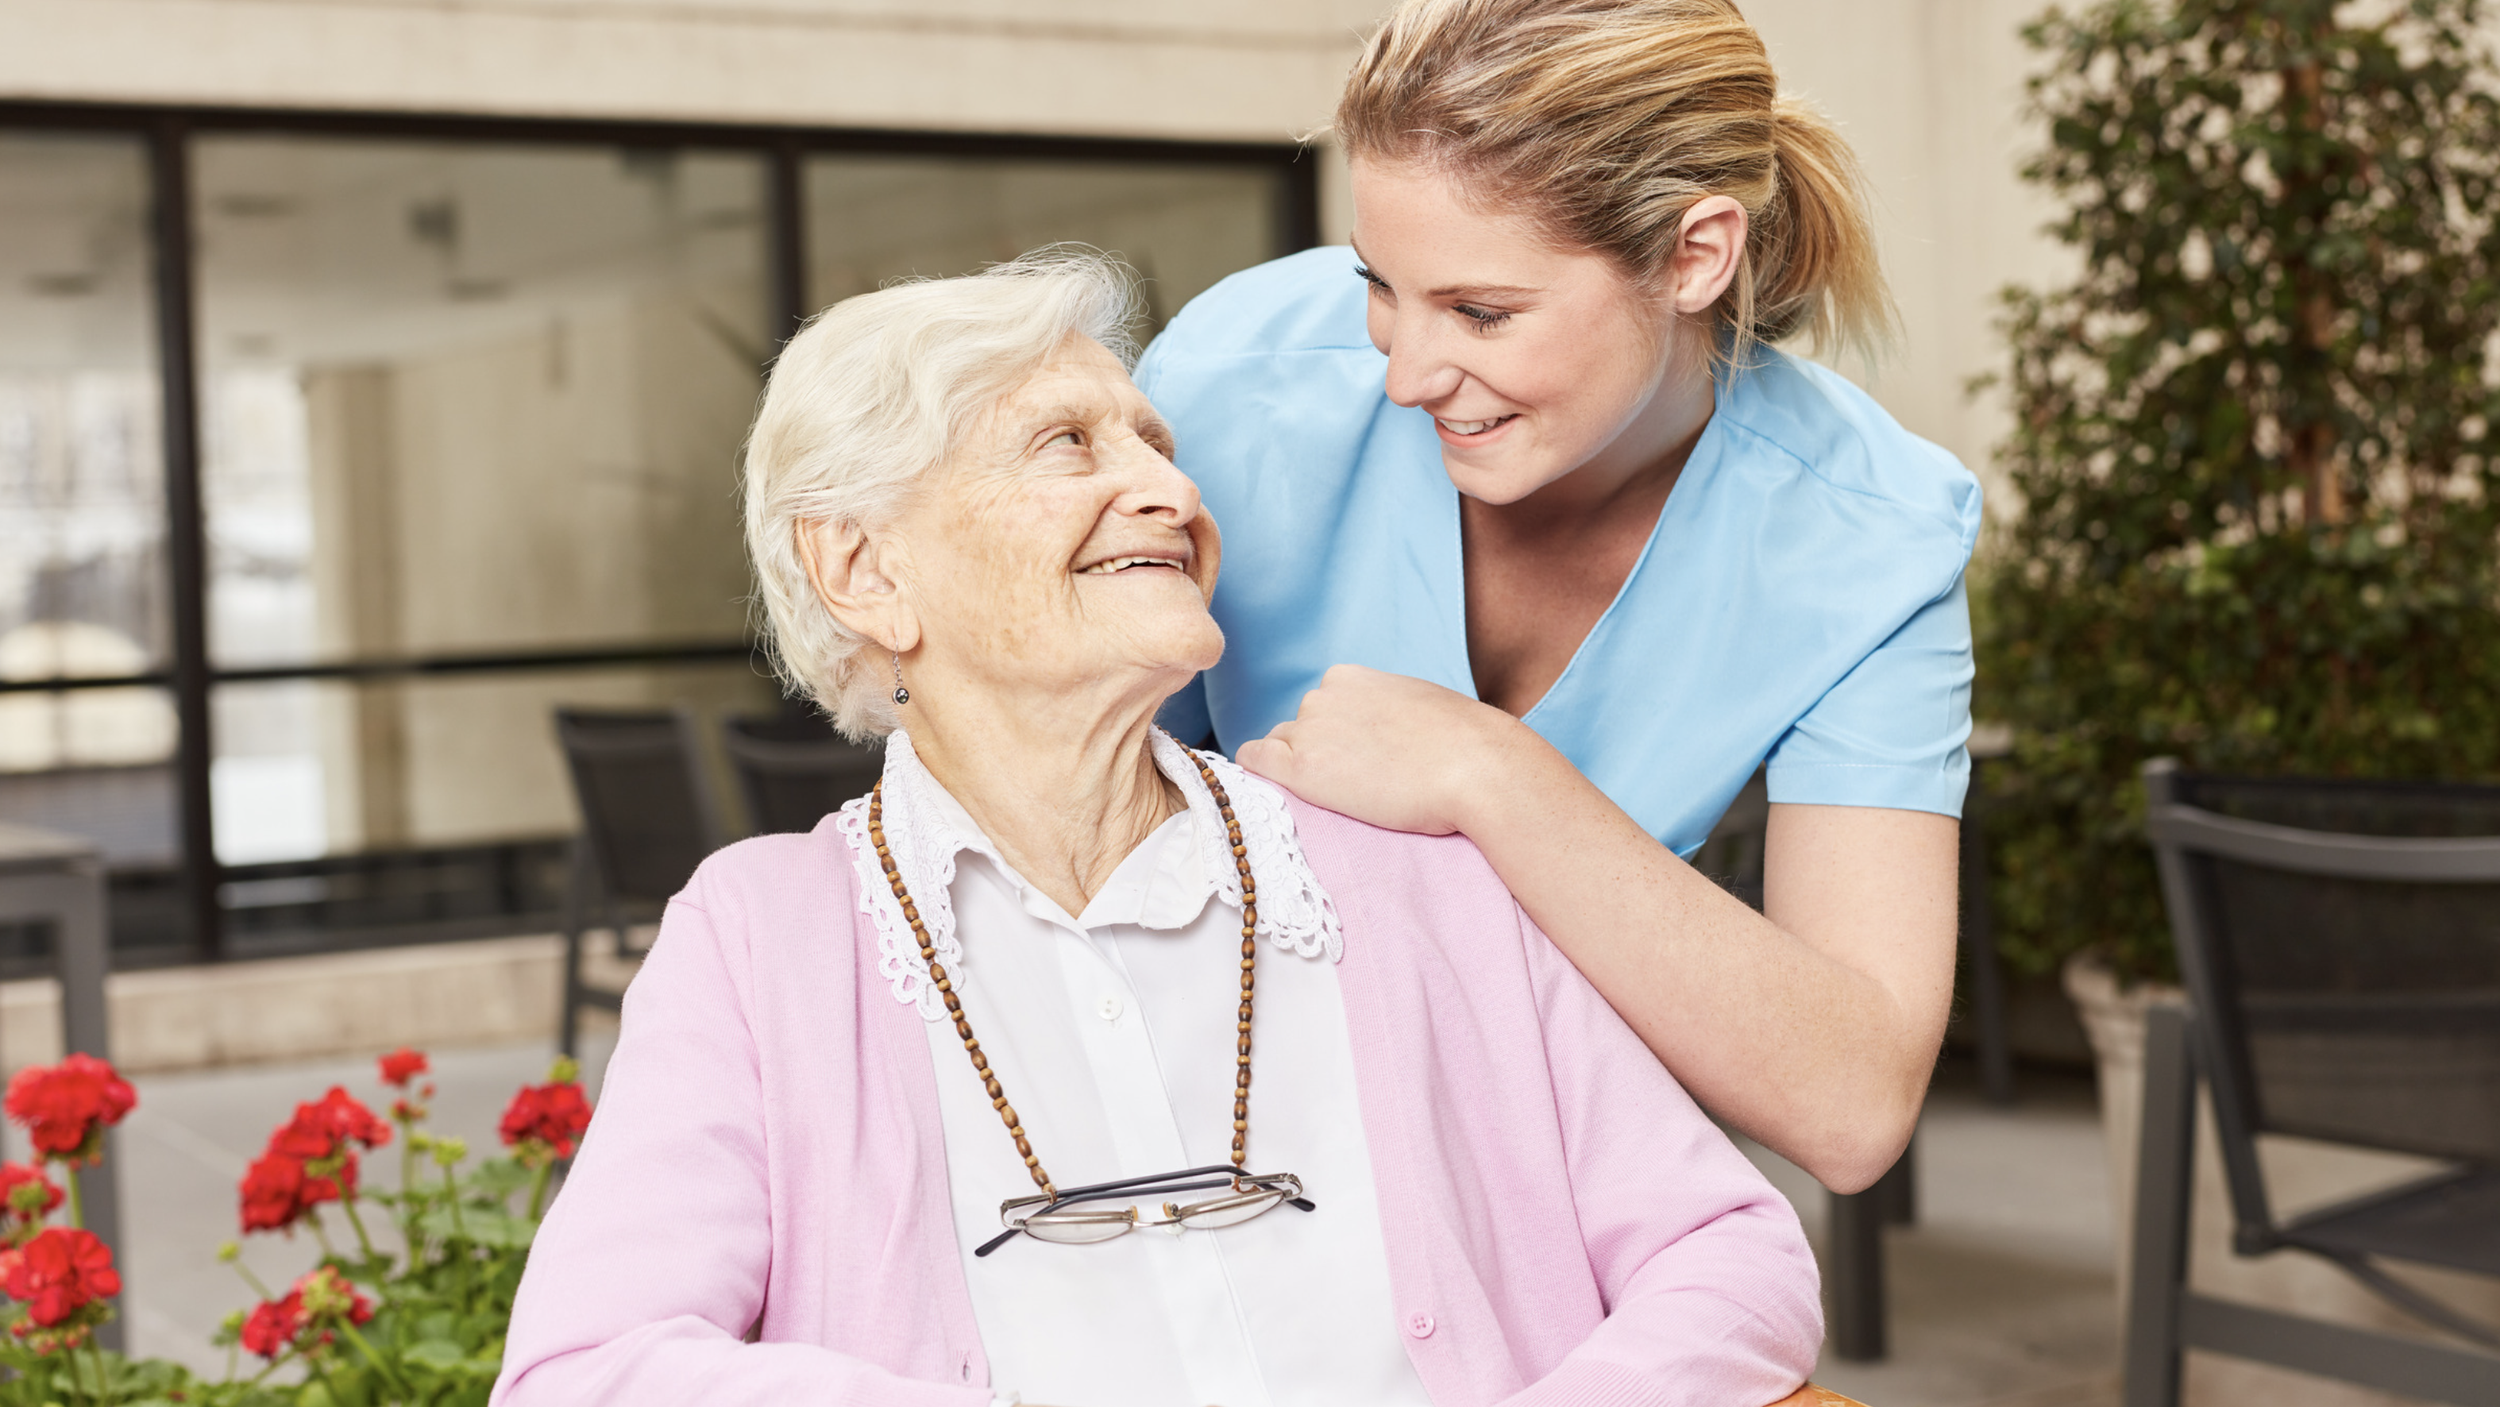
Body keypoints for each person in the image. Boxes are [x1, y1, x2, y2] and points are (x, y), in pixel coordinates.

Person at [490, 253, 1821, 1407]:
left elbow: (1729, 1252)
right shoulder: (761, 938)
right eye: (1069, 444)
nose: (1167, 493)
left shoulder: (1409, 870)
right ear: (868, 569)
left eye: (1158, 446)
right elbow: (587, 1369)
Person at [1135, 0, 1980, 1192]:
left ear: (1696, 255)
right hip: (1181, 1119)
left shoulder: (1872, 541)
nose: (1408, 374)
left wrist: (1490, 776)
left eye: (1482, 312)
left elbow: (1851, 1103)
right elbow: (1055, 805)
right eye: (1381, 284)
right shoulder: (1233, 380)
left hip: (1536, 1164)